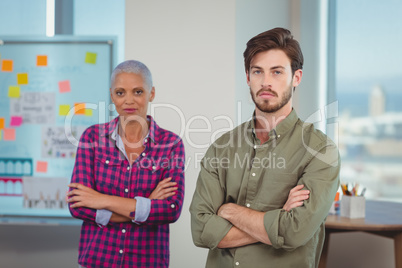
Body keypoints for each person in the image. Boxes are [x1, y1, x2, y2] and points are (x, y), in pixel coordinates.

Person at [189, 27, 340, 268]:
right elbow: (201, 230)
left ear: (296, 77)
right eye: (257, 71)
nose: (266, 82)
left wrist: (229, 211)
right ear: (248, 77)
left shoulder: (321, 151)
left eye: (277, 72)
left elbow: (295, 232)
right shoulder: (222, 147)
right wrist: (279, 216)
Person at [67, 60, 185, 268]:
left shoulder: (170, 144)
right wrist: (146, 204)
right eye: (120, 93)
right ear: (112, 96)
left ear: (152, 94)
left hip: (147, 263)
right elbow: (78, 206)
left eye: (138, 92)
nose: (128, 100)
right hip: (97, 260)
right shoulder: (92, 138)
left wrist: (101, 199)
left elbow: (170, 209)